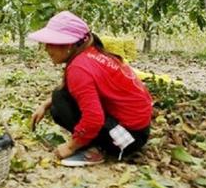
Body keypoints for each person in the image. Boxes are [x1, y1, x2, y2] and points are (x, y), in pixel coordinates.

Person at [29, 11, 152, 167]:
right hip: (139, 131)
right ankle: (92, 139)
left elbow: (94, 118)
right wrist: (44, 105)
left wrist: (70, 147)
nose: (46, 49)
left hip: (127, 140)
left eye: (51, 43)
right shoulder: (91, 53)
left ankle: (98, 149)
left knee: (59, 105)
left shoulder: (79, 68)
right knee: (59, 96)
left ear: (69, 44)